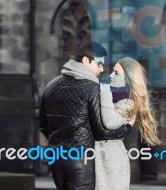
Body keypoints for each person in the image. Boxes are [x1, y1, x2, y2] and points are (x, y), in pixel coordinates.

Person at [40, 42, 134, 190]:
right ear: (85, 60)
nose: (102, 69)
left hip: (56, 158)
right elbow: (102, 131)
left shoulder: (50, 86)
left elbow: (43, 126)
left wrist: (60, 142)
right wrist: (127, 127)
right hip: (81, 160)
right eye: (99, 64)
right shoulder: (93, 88)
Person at [95, 57, 161, 190]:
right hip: (99, 158)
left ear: (128, 78)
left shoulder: (129, 103)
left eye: (117, 73)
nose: (111, 76)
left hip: (112, 163)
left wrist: (105, 92)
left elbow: (110, 122)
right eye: (112, 71)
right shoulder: (109, 98)